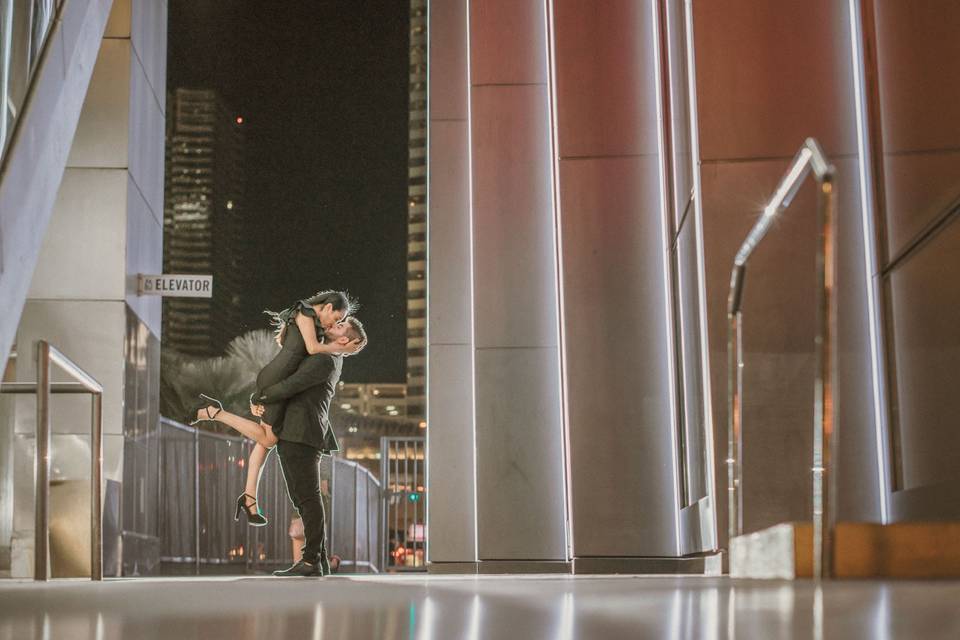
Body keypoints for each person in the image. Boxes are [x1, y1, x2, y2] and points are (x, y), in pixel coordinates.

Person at [197, 317, 368, 576]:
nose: (335, 324)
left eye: (341, 326)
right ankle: (317, 559)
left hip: (301, 433)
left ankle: (311, 560)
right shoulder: (327, 357)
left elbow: (292, 385)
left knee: (307, 498)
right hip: (298, 432)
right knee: (303, 498)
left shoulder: (325, 359)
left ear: (343, 339)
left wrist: (259, 396)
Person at [193, 290, 360, 526]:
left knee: (264, 443)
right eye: (338, 317)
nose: (336, 322)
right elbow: (311, 349)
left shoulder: (313, 323)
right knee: (268, 439)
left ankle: (249, 497)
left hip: (278, 379)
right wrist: (340, 349)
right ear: (329, 307)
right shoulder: (304, 312)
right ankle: (213, 413)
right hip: (276, 380)